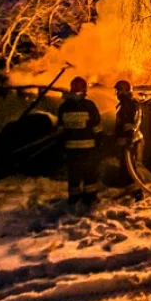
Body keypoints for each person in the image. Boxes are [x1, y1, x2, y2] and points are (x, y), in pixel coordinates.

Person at [57, 76, 103, 209]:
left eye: (79, 85)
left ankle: (90, 197)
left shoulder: (89, 106)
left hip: (88, 148)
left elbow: (97, 127)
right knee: (73, 175)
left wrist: (99, 144)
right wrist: (61, 146)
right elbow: (61, 129)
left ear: (84, 88)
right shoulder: (64, 107)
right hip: (71, 149)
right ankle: (74, 198)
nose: (76, 88)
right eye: (74, 85)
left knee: (89, 174)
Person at [113, 80, 144, 201]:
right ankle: (130, 191)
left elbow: (133, 124)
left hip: (131, 140)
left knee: (131, 167)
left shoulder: (131, 104)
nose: (117, 93)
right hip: (125, 140)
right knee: (124, 168)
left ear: (126, 91)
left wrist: (129, 139)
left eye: (119, 90)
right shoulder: (122, 104)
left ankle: (138, 192)